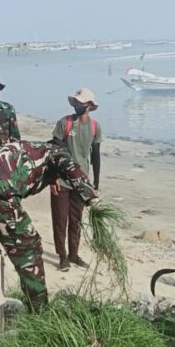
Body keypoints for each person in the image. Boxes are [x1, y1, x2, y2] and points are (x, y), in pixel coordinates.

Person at [0, 140, 97, 311]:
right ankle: (39, 310)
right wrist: (92, 199)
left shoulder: (28, 149)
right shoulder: (55, 151)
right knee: (29, 247)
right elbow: (71, 168)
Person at [50, 89, 103, 271]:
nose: (78, 106)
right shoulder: (64, 123)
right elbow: (54, 153)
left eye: (81, 103)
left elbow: (95, 155)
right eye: (76, 103)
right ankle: (62, 256)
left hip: (82, 182)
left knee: (76, 220)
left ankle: (74, 254)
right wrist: (53, 179)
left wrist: (95, 183)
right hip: (62, 180)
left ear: (89, 106)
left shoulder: (95, 127)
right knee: (60, 219)